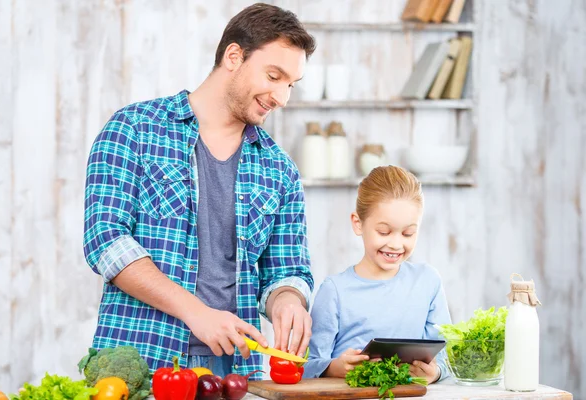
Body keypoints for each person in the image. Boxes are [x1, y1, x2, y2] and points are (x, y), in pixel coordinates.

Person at [83, 3, 316, 378]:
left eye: (291, 84)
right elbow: (106, 242)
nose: (282, 97)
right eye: (274, 76)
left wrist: (287, 300)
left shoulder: (280, 169)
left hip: (237, 371)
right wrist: (198, 313)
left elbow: (288, 269)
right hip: (141, 361)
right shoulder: (134, 129)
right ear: (234, 56)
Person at [303, 166, 451, 383]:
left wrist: (435, 372)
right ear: (358, 223)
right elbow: (306, 366)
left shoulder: (427, 281)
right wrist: (335, 367)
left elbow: (446, 359)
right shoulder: (335, 290)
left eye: (408, 233)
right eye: (384, 232)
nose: (396, 243)